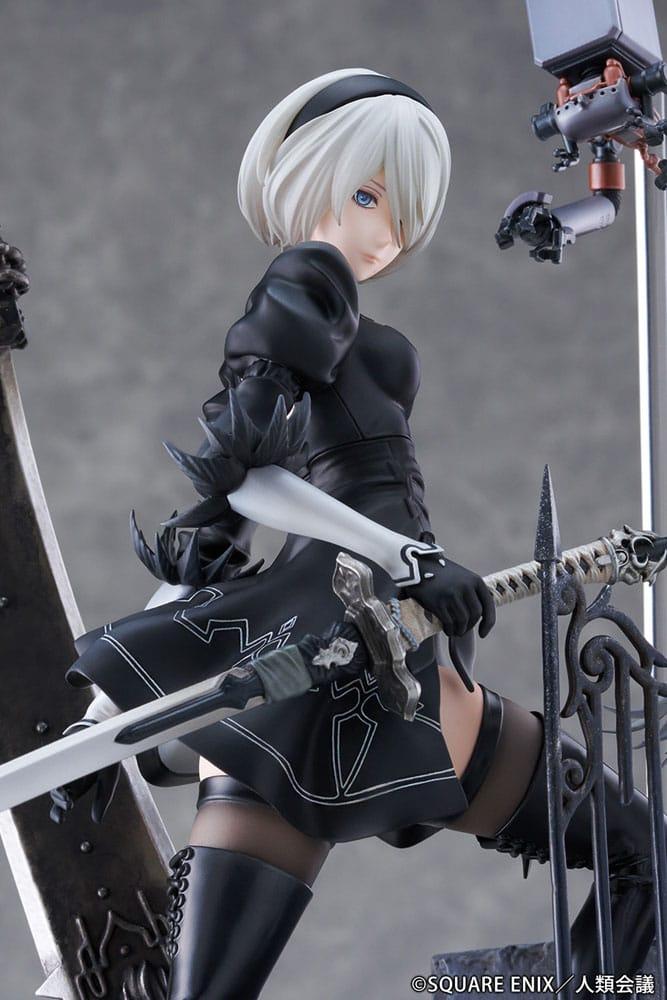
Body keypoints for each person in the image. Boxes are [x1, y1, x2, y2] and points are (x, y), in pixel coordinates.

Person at [40, 69, 659, 998]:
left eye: (402, 214)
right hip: (325, 663)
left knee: (640, 856)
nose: (384, 235)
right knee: (639, 855)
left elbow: (217, 528)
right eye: (368, 197)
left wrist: (106, 718)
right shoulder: (308, 277)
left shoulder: (331, 324)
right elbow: (243, 483)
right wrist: (402, 554)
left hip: (393, 658)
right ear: (305, 175)